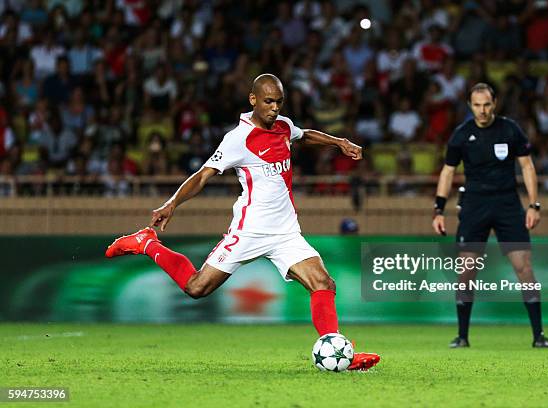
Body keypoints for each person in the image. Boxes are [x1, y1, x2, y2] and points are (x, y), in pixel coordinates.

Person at [106, 73, 380, 370]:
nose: (275, 108)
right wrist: (172, 203)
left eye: (279, 102)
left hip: (285, 232)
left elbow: (305, 134)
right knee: (197, 288)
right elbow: (203, 176)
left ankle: (338, 352)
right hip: (249, 231)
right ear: (253, 99)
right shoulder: (238, 139)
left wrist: (339, 142)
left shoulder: (283, 126)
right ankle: (148, 243)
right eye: (268, 101)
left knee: (323, 282)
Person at [432, 82, 548, 349]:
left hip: (507, 204)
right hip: (474, 205)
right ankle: (462, 336)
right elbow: (447, 172)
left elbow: (527, 167)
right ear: (470, 106)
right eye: (477, 105)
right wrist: (439, 210)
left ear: (494, 103)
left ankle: (538, 336)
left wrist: (534, 205)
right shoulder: (461, 135)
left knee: (525, 268)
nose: (482, 110)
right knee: (466, 272)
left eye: (486, 104)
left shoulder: (510, 130)